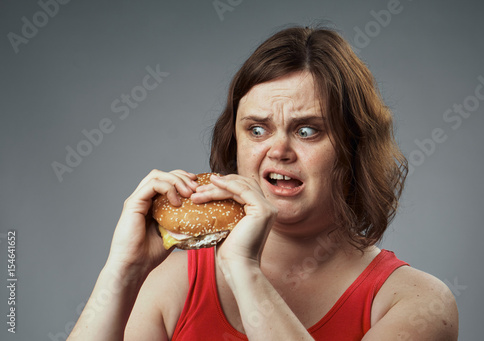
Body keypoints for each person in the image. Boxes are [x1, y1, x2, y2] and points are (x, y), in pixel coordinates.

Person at [68, 26, 458, 340]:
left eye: (307, 130)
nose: (278, 150)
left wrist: (243, 270)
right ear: (233, 143)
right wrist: (124, 272)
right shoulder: (174, 282)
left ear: (354, 147)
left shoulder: (415, 302)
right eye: (257, 129)